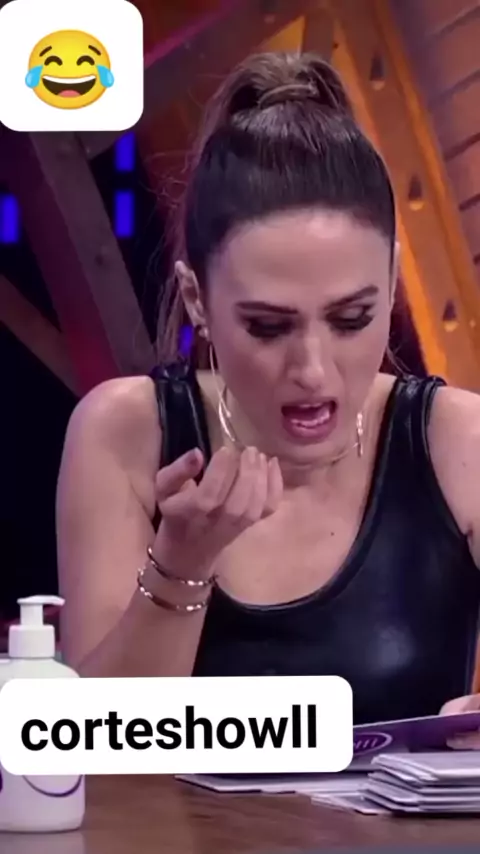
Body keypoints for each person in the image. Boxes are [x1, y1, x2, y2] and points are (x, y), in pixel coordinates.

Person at [56, 51, 480, 732]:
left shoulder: (457, 441)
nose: (312, 369)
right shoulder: (124, 433)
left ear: (392, 279)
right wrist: (181, 560)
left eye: (352, 319)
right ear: (198, 298)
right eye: (268, 326)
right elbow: (95, 753)